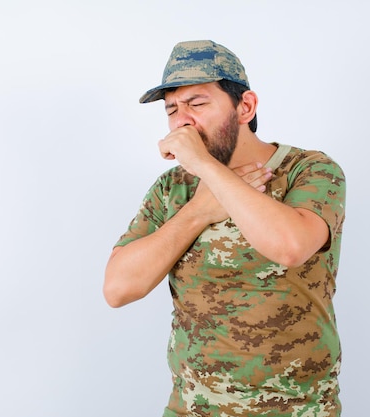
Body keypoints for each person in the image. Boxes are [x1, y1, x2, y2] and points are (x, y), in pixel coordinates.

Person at [103, 40, 346, 417]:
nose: (183, 120)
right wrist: (199, 210)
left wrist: (207, 169)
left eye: (197, 104)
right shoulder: (173, 189)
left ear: (245, 107)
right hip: (190, 409)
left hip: (297, 410)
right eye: (172, 110)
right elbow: (118, 289)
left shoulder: (310, 169)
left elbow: (290, 247)